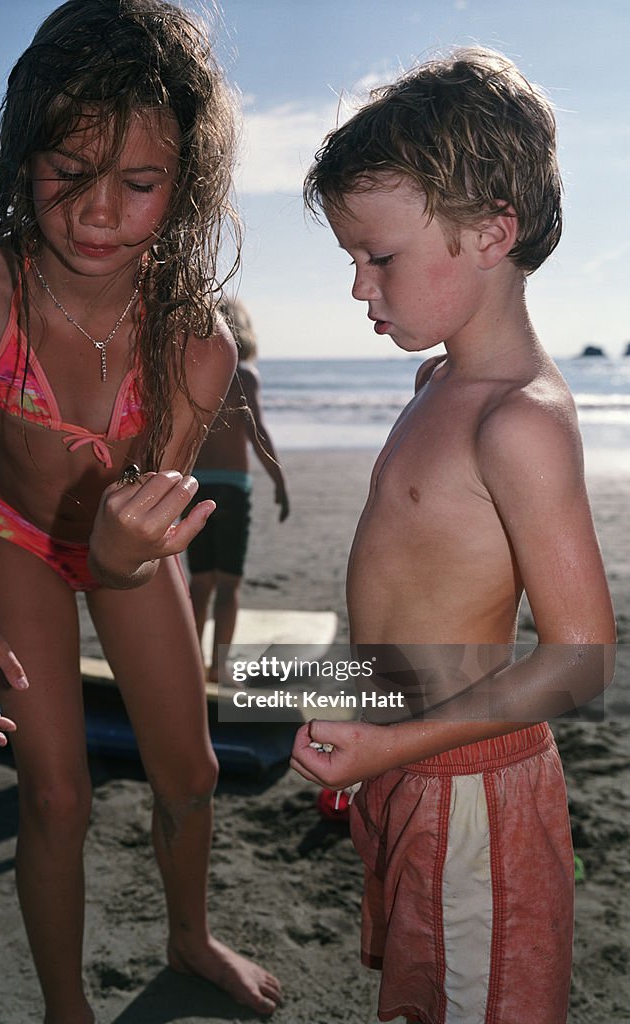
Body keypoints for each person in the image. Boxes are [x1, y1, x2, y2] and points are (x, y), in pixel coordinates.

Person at [0, 2, 281, 1021]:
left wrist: (121, 558)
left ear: (188, 184)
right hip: (12, 540)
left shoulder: (197, 346)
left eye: (140, 182)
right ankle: (66, 1006)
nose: (97, 211)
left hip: (127, 547)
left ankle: (190, 933)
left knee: (192, 770)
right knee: (56, 795)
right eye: (68, 172)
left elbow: (148, 520)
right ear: (21, 152)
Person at [290, 48, 615, 1024]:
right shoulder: (435, 384)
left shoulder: (516, 421)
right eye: (351, 258)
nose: (358, 287)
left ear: (490, 232)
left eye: (377, 257)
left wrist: (402, 747)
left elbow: (583, 659)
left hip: (467, 785)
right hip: (399, 766)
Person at [186, 296, 289, 684]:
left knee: (200, 582)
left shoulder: (194, 370)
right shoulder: (244, 375)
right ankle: (218, 667)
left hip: (194, 486)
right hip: (232, 490)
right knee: (228, 585)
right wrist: (279, 482)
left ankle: (192, 664)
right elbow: (257, 433)